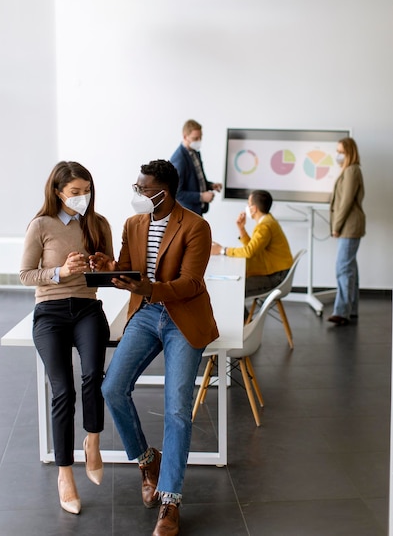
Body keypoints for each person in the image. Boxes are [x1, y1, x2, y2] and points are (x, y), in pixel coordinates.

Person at [90, 159, 218, 536]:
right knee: (112, 388)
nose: (138, 194)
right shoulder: (133, 224)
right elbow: (128, 273)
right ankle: (148, 460)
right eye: (137, 187)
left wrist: (149, 288)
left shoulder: (196, 226)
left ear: (165, 191)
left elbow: (192, 283)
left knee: (177, 408)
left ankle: (170, 501)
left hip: (183, 318)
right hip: (146, 315)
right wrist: (108, 266)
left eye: (143, 189)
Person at [20, 161, 114, 515]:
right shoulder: (41, 225)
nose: (82, 198)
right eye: (75, 193)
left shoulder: (98, 224)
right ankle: (65, 474)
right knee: (63, 389)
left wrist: (106, 267)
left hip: (88, 309)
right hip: (50, 313)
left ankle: (93, 442)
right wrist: (60, 272)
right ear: (58, 192)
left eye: (86, 191)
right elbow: (25, 275)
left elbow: (111, 275)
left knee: (93, 375)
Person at [211, 189, 293, 311]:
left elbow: (249, 251)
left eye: (248, 204)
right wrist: (241, 229)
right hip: (276, 273)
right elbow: (254, 247)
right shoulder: (267, 220)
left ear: (254, 209)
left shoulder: (265, 226)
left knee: (234, 288)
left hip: (276, 277)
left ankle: (244, 324)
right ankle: (245, 322)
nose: (247, 207)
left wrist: (223, 250)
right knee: (235, 284)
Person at [327, 137, 365, 325]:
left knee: (343, 268)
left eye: (341, 151)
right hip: (349, 226)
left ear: (349, 152)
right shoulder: (348, 170)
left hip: (349, 226)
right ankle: (352, 308)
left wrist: (336, 226)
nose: (338, 155)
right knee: (350, 268)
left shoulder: (351, 171)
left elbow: (346, 203)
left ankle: (342, 312)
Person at [170, 119, 222, 215]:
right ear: (185, 137)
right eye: (195, 138)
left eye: (200, 137)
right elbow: (177, 193)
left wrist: (210, 185)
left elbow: (196, 179)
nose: (199, 141)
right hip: (187, 214)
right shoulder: (179, 159)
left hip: (198, 212)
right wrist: (201, 197)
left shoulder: (195, 153)